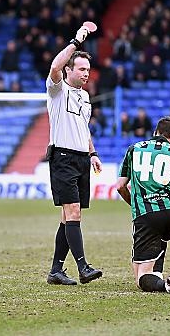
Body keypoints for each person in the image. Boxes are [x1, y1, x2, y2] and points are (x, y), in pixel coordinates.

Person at [116, 117, 170, 294]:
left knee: (141, 279)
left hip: (147, 215)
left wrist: (135, 204)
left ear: (156, 131)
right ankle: (158, 273)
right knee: (160, 236)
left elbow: (120, 186)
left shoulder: (134, 149)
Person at [45, 25, 103, 286]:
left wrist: (93, 153)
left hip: (81, 159)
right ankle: (83, 267)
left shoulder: (85, 96)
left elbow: (84, 127)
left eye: (88, 70)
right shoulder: (57, 89)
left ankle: (56, 271)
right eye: (81, 69)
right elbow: (55, 66)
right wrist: (76, 40)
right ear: (69, 70)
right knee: (74, 212)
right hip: (64, 158)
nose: (86, 74)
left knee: (68, 217)